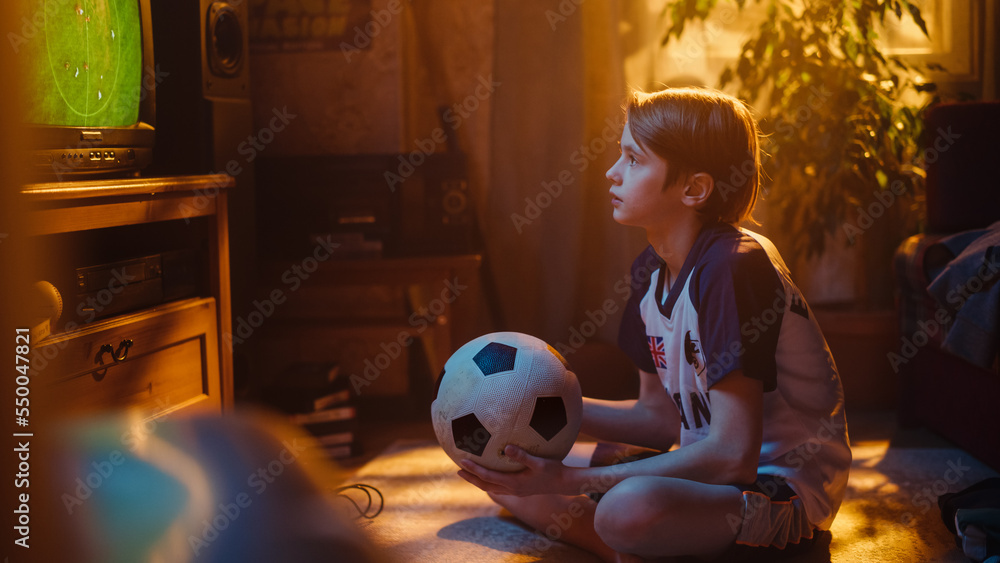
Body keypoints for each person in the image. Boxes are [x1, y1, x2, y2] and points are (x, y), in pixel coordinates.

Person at [458, 87, 852, 562]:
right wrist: (526, 404)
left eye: (632, 159)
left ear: (694, 189)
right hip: (703, 477)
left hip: (779, 493)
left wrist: (571, 483)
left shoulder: (732, 267)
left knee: (627, 509)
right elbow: (658, 419)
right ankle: (640, 553)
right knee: (507, 474)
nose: (612, 171)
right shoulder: (650, 271)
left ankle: (640, 544)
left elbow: (733, 455)